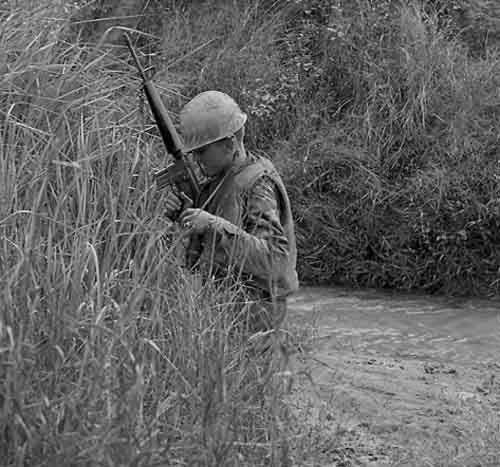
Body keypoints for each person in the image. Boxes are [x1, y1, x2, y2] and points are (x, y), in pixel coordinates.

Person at [165, 90, 298, 333]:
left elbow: (276, 261)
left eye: (202, 151)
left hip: (258, 322)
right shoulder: (219, 181)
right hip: (225, 316)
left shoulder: (258, 184)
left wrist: (213, 224)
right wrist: (184, 216)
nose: (196, 159)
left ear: (230, 144)